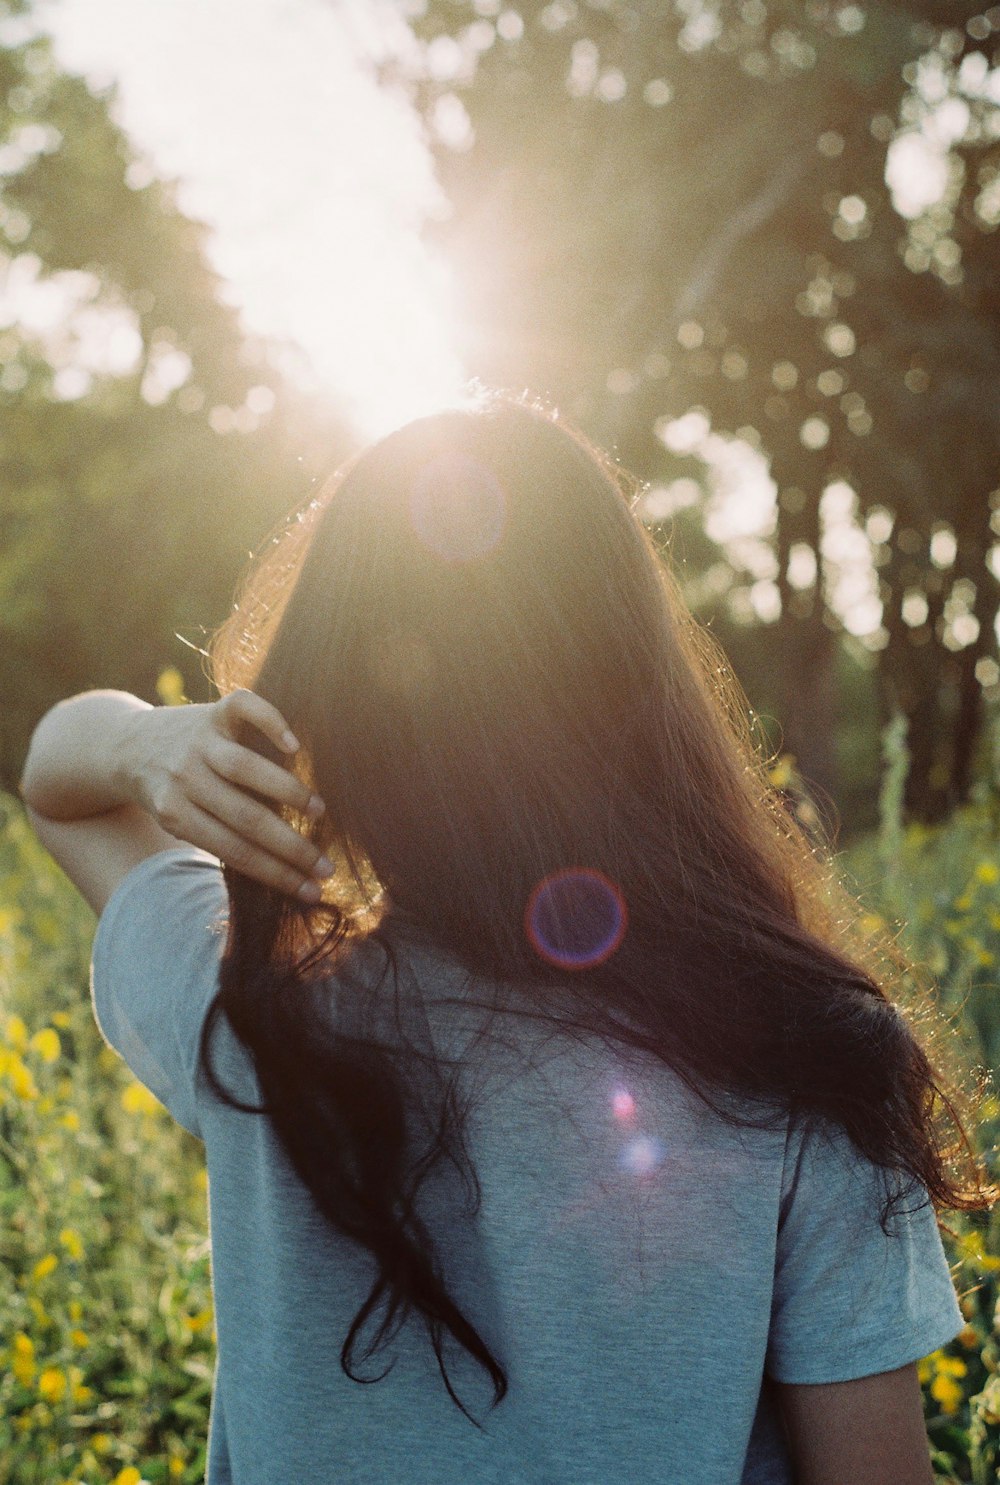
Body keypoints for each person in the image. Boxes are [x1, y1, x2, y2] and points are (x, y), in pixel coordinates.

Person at [19, 390, 991, 1485]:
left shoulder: (253, 1009)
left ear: (332, 703)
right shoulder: (809, 1052)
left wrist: (152, 743)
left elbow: (60, 785)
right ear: (644, 697)